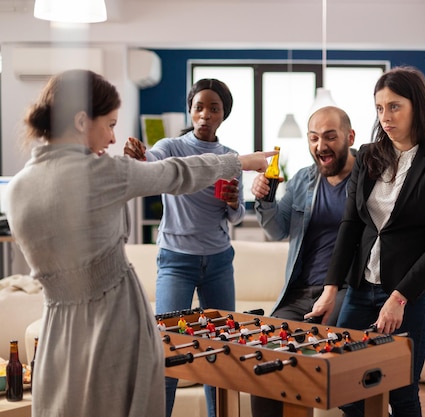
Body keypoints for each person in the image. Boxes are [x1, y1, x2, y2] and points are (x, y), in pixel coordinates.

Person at [3, 69, 274, 417]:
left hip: (59, 330)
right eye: (111, 124)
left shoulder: (18, 188)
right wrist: (238, 162)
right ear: (83, 121)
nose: (114, 138)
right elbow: (174, 172)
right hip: (116, 321)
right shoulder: (104, 172)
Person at [250, 105, 425, 417]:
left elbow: (415, 222)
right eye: (313, 138)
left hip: (347, 287)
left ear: (349, 137)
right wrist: (264, 199)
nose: (320, 146)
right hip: (300, 291)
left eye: (330, 137)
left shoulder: (372, 170)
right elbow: (276, 229)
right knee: (265, 357)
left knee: (361, 380)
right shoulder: (302, 180)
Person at [307, 66, 425, 417]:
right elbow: (350, 225)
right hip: (362, 290)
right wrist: (331, 288)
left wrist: (399, 298)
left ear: (416, 107)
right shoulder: (366, 156)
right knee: (343, 386)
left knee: (402, 392)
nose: (386, 117)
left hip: (412, 296)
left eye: (395, 107)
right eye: (379, 108)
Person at [124, 78, 245, 417]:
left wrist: (235, 202)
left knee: (221, 354)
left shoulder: (231, 158)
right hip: (176, 261)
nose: (205, 114)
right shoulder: (173, 147)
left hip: (219, 262)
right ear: (190, 111)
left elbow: (236, 217)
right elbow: (152, 163)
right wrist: (139, 156)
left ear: (224, 114)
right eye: (199, 107)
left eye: (214, 108)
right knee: (168, 351)